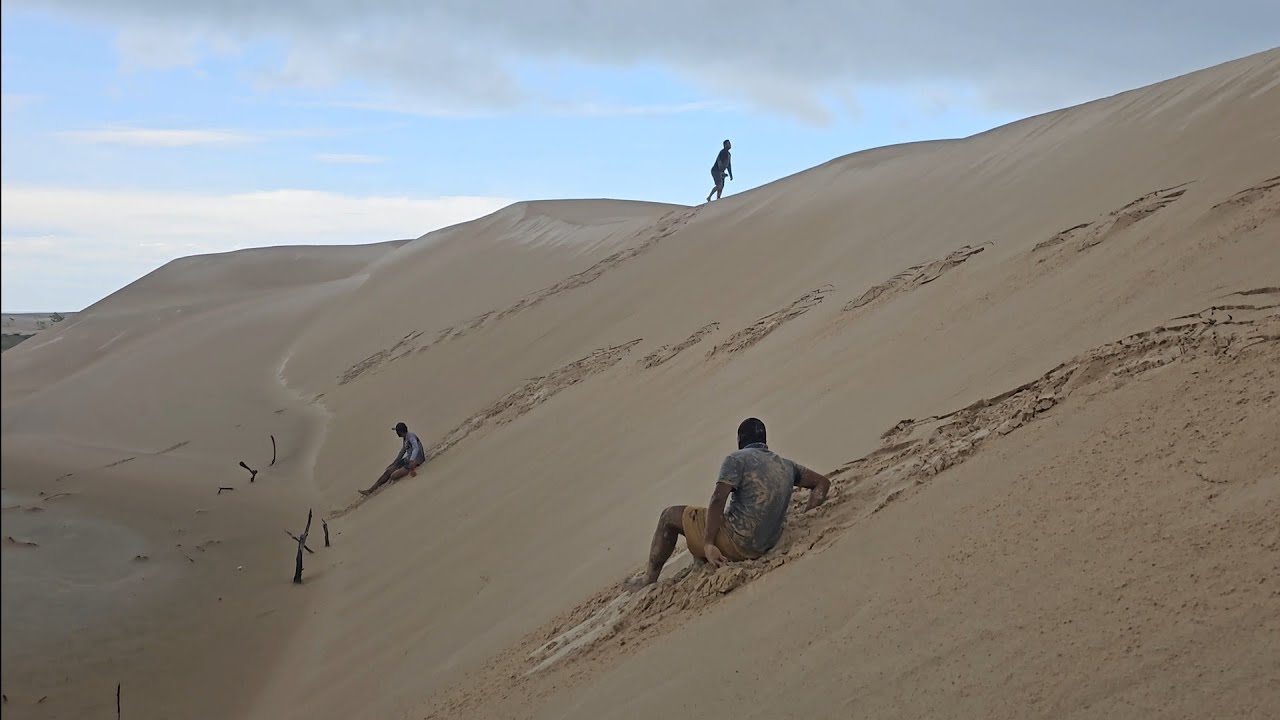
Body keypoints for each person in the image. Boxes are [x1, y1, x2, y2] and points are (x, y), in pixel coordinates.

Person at [631, 417, 829, 587]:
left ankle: (648, 579)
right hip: (766, 544)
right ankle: (700, 555)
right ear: (764, 441)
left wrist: (709, 543)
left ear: (739, 440)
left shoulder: (736, 459)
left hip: (737, 543)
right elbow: (822, 483)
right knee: (705, 520)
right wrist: (808, 513)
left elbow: (718, 498)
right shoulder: (787, 465)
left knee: (669, 516)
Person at [359, 421, 426, 496]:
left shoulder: (411, 436)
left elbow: (416, 447)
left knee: (393, 476)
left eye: (397, 431)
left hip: (416, 461)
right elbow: (402, 451)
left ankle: (387, 484)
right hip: (408, 459)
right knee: (389, 471)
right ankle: (370, 490)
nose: (396, 433)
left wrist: (412, 460)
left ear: (400, 432)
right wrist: (394, 463)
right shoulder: (405, 438)